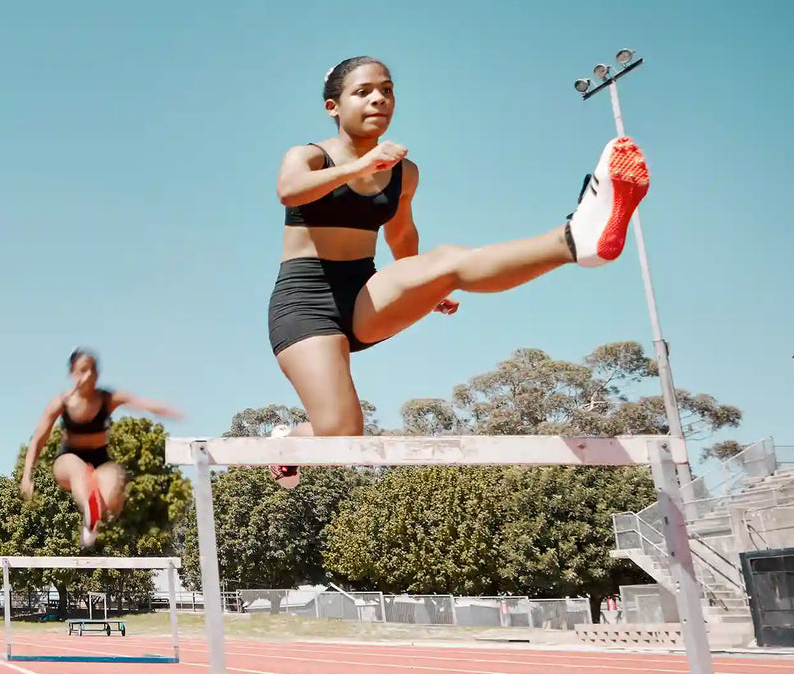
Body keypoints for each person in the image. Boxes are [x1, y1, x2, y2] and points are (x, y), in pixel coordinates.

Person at [267, 56, 650, 487]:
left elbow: (401, 236)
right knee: (341, 436)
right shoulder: (309, 156)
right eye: (363, 92)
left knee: (447, 261)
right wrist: (362, 165)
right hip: (305, 303)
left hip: (364, 292)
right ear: (333, 107)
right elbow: (288, 190)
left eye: (387, 90)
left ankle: (573, 239)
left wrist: (424, 285)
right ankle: (286, 445)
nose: (379, 98)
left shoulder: (404, 173)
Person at [20, 348, 184, 549]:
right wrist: (27, 475)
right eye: (83, 370)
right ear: (73, 374)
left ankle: (95, 518)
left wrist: (170, 411)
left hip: (100, 460)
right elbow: (38, 439)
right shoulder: (61, 403)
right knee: (79, 471)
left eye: (93, 371)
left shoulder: (107, 398)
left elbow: (140, 403)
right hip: (68, 458)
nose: (89, 375)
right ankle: (90, 513)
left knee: (116, 478)